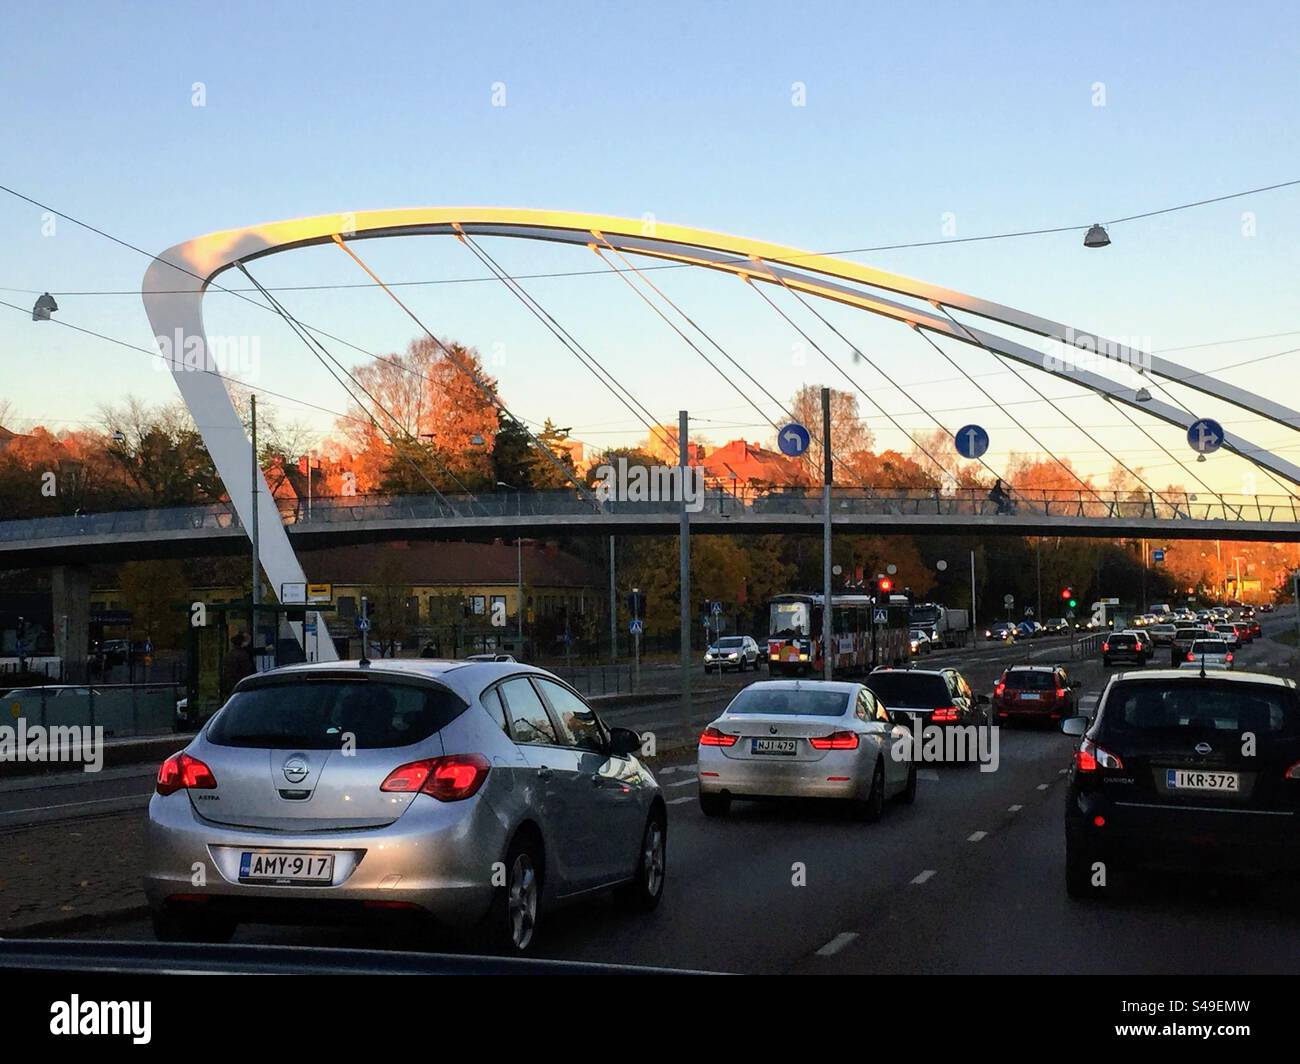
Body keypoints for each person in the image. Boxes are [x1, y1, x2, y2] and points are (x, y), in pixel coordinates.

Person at [221, 632, 257, 697]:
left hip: (231, 684)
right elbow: (247, 670)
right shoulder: (243, 655)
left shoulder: (230, 654)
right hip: (241, 684)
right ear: (242, 642)